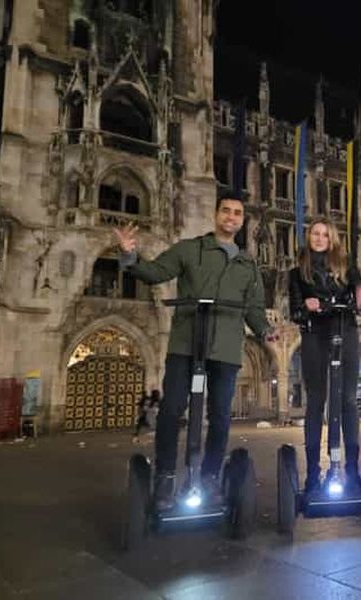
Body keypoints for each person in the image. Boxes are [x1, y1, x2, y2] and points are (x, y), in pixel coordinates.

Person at [114, 190, 277, 510]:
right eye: (226, 211)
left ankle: (210, 478)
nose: (231, 217)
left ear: (242, 221)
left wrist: (266, 331)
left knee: (219, 418)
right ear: (216, 215)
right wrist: (129, 255)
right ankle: (165, 478)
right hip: (187, 344)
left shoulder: (248, 264)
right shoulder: (191, 250)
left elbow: (255, 309)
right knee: (172, 409)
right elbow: (157, 272)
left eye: (237, 213)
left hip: (226, 349)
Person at [288, 218, 361, 493]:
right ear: (308, 236)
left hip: (344, 329)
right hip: (314, 333)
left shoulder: (346, 267)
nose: (320, 238)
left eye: (325, 234)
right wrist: (305, 305)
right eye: (315, 233)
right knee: (316, 400)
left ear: (332, 238)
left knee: (348, 399)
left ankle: (351, 471)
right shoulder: (297, 272)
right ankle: (313, 474)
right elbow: (294, 311)